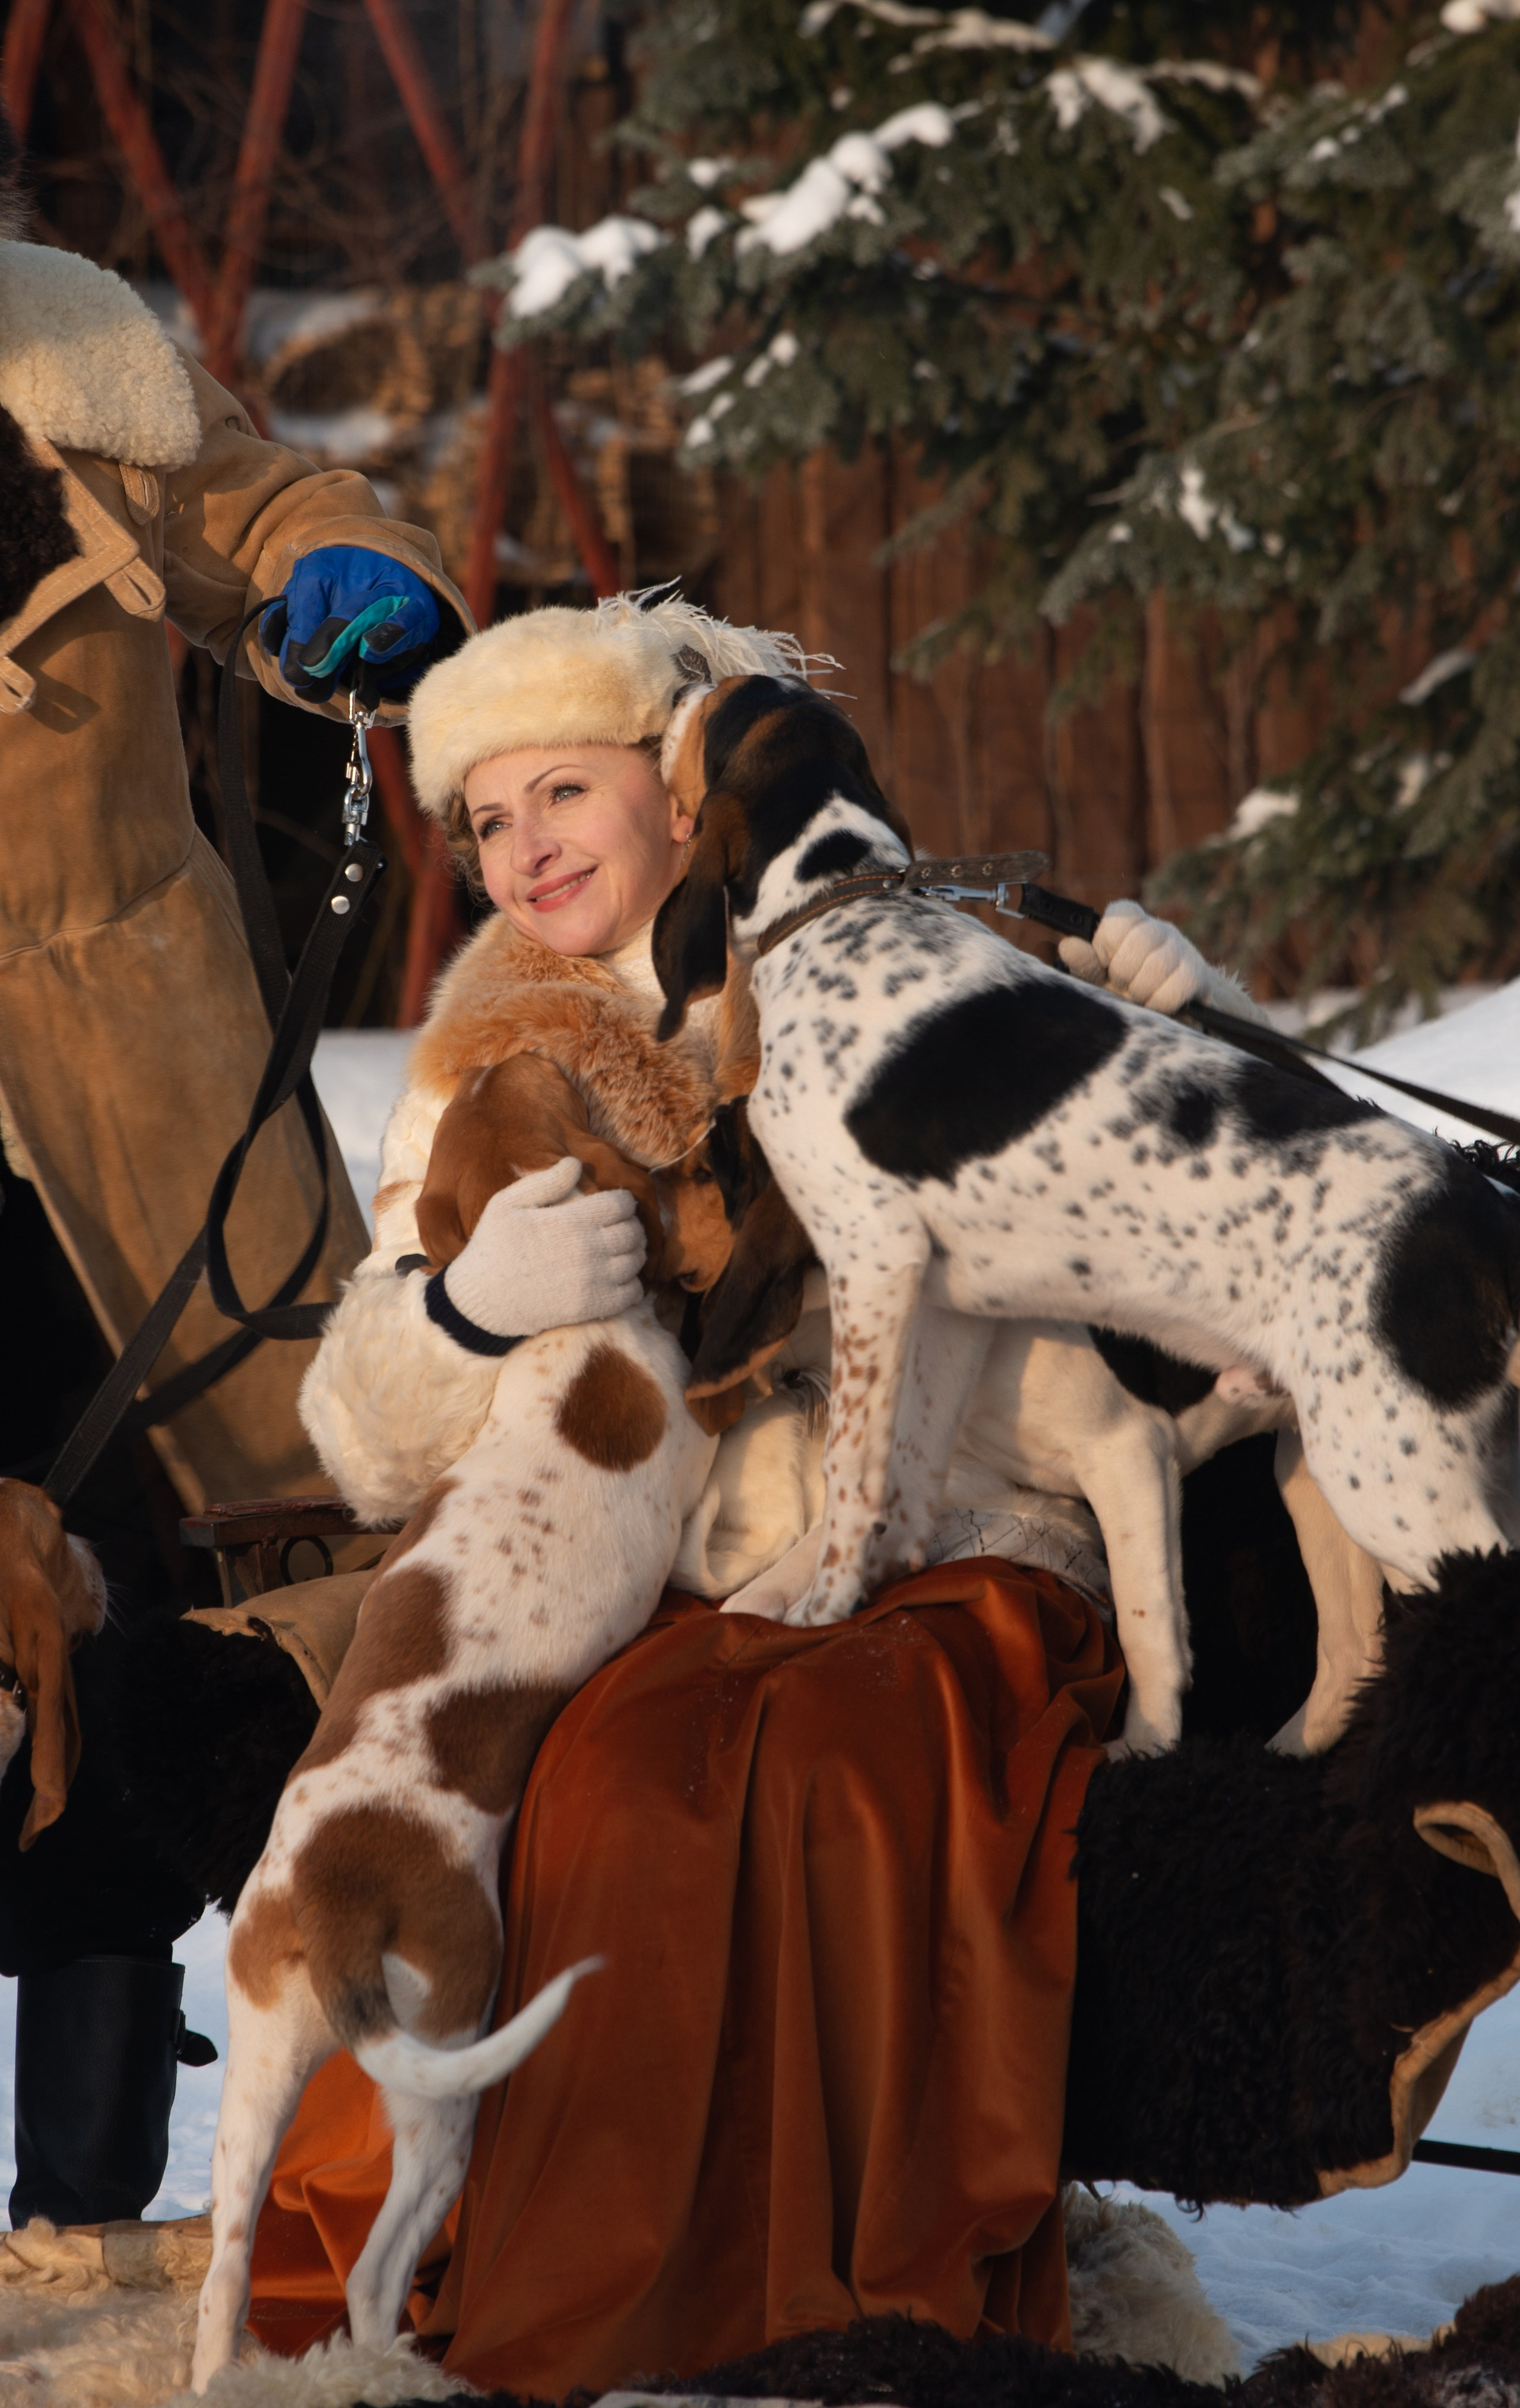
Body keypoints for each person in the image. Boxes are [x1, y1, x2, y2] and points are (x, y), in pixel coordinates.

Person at [249, 592, 1265, 2385]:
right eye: (487, 820)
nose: (526, 847)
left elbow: (1178, 1164)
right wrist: (467, 1313)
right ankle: (592, 2304)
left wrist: (1214, 1013)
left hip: (973, 1522)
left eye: (564, 792)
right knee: (619, 1789)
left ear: (674, 789)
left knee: (826, 1774)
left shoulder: (888, 941)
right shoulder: (493, 1057)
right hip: (702, 1578)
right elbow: (362, 1428)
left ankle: (840, 2299)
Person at [0, 111, 471, 2231]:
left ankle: (91, 2227)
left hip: (135, 1086)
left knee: (202, 1628)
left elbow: (265, 500)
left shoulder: (69, 370)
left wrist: (327, 581)